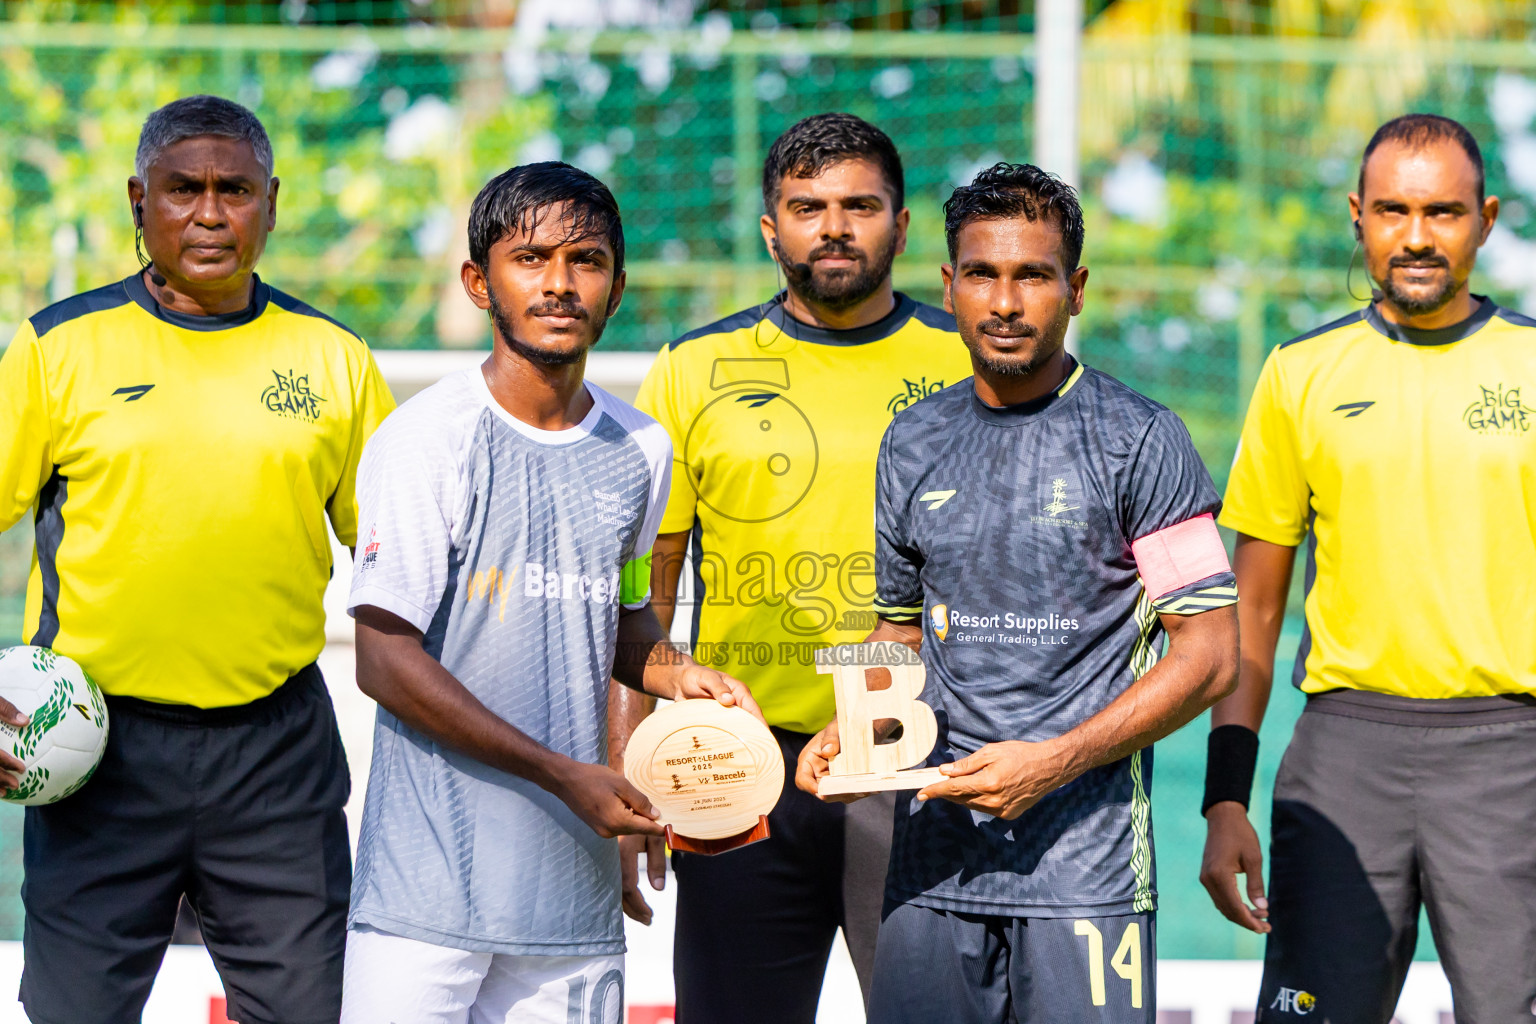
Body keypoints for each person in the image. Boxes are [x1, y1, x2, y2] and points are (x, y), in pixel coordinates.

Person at [798, 162, 1240, 1024]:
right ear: (950, 285)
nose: (1005, 301)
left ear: (1074, 290)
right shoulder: (913, 440)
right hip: (932, 868)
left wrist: (1054, 762)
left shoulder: (1142, 439)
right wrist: (854, 734)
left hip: (1089, 870)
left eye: (1032, 275)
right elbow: (902, 641)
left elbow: (1211, 654)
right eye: (983, 275)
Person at [0, 95, 394, 1024]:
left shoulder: (335, 359)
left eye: (234, 190)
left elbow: (400, 557)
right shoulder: (59, 348)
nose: (210, 213)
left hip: (276, 753)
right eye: (183, 190)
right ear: (140, 203)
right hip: (93, 747)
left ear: (272, 202)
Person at [337, 162, 760, 1024]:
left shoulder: (642, 448)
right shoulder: (427, 439)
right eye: (530, 258)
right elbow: (383, 662)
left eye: (586, 260)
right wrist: (564, 773)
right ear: (478, 281)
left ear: (616, 286)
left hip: (569, 902)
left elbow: (621, 617)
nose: (560, 283)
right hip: (426, 901)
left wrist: (679, 677)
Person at [614, 112, 972, 1021]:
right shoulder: (695, 367)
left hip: (918, 762)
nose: (835, 227)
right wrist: (626, 767)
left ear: (900, 222)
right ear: (773, 229)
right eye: (807, 207)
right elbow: (639, 600)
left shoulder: (971, 361)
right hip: (743, 762)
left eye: (860, 205)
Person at [1200, 113, 1536, 1023]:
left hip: (1512, 755)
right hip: (1347, 753)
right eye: (1393, 210)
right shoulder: (1299, 373)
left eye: (1444, 212)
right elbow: (1253, 614)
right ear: (1358, 215)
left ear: (1488, 218)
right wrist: (1225, 796)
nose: (1417, 236)